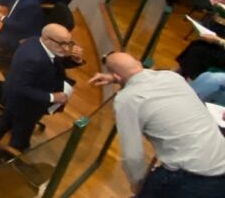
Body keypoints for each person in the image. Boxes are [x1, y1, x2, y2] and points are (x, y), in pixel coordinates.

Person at [90, 52, 225, 197]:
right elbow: (141, 77)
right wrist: (120, 78)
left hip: (190, 178)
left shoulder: (127, 99)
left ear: (116, 76)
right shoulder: (172, 77)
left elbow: (132, 157)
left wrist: (138, 185)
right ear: (139, 63)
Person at [0, 24, 82, 150]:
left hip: (18, 101)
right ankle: (11, 157)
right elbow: (21, 88)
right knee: (20, 140)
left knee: (4, 122)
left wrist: (74, 60)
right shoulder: (34, 59)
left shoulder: (38, 42)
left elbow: (56, 64)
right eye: (62, 44)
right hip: (25, 106)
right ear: (46, 38)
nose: (66, 48)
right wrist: (52, 97)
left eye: (69, 43)